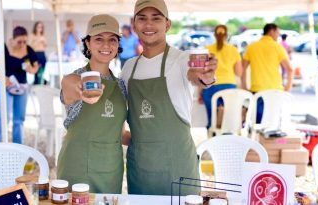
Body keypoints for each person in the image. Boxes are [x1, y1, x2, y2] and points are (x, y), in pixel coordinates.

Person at [121, 0, 217, 195]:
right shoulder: (128, 68)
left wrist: (206, 76)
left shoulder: (182, 59)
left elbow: (197, 74)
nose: (148, 25)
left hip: (178, 165)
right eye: (142, 18)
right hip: (140, 168)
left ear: (167, 24)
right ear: (134, 24)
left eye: (156, 18)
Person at [57, 14, 128, 193]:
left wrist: (148, 143)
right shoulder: (76, 78)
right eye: (98, 39)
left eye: (112, 39)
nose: (106, 45)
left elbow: (119, 134)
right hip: (78, 168)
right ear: (87, 43)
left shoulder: (121, 85)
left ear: (118, 44)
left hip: (111, 170)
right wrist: (84, 92)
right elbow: (69, 83)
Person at [0, 26, 39, 143]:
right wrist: (0, 77)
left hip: (22, 87)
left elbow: (36, 67)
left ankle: (18, 146)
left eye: (25, 41)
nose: (22, 44)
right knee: (4, 117)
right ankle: (1, 144)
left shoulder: (29, 49)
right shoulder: (3, 48)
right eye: (19, 41)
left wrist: (31, 69)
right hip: (5, 86)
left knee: (19, 119)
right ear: (13, 39)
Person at [241, 23, 293, 123]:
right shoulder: (277, 47)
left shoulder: (252, 47)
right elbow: (290, 69)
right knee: (273, 122)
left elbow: (243, 69)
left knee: (258, 124)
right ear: (271, 31)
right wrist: (287, 87)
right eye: (277, 32)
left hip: (257, 90)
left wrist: (244, 86)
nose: (278, 35)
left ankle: (258, 139)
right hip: (275, 91)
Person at [198, 25, 242, 131]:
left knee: (213, 119)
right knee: (228, 119)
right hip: (229, 87)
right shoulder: (234, 50)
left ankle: (212, 139)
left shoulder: (206, 50)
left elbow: (200, 73)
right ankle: (228, 139)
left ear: (214, 35)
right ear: (226, 36)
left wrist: (200, 93)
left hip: (209, 88)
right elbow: (239, 73)